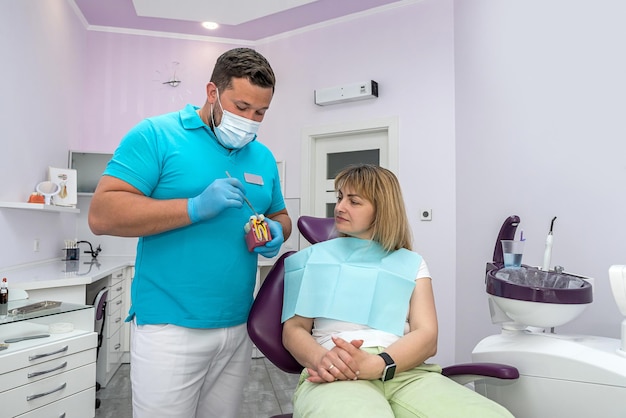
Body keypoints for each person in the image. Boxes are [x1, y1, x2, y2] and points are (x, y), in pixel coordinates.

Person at [88, 47, 292, 418]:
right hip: (171, 326)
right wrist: (193, 207)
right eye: (241, 107)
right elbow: (102, 214)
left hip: (237, 324)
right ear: (212, 92)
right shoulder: (156, 135)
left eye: (260, 112)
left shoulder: (261, 156)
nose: (250, 120)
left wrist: (279, 229)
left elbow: (279, 212)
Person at [281, 164, 512, 417]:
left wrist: (379, 364)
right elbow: (294, 330)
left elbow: (427, 335)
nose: (339, 207)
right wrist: (322, 360)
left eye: (354, 201)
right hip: (337, 370)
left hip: (404, 370)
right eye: (339, 197)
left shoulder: (411, 263)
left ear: (382, 210)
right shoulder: (313, 259)